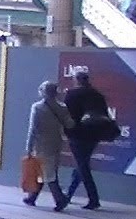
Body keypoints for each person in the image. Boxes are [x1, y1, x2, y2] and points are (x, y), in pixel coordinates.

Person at [23, 81, 74, 211]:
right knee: (46, 171)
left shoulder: (37, 107)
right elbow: (70, 125)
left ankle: (60, 199)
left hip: (41, 144)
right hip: (56, 143)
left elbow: (32, 129)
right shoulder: (62, 107)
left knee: (48, 173)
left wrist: (28, 147)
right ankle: (32, 197)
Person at [63, 69, 108, 210]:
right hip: (94, 135)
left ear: (76, 80)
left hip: (77, 134)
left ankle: (93, 199)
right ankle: (68, 194)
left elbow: (67, 115)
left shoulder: (72, 94)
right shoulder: (98, 95)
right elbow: (104, 115)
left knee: (82, 166)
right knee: (81, 163)